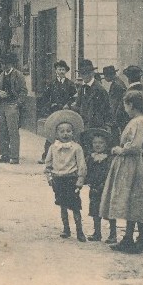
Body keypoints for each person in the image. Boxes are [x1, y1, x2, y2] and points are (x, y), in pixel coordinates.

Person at [100, 90, 143, 254]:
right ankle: (138, 238)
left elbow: (135, 145)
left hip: (133, 164)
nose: (124, 108)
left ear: (130, 104)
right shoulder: (140, 120)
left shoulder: (138, 122)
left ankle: (131, 239)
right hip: (136, 163)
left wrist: (120, 149)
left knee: (132, 199)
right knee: (135, 201)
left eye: (125, 104)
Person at [43, 109, 88, 241]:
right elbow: (48, 164)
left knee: (75, 205)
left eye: (68, 131)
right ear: (56, 133)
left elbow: (81, 164)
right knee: (62, 204)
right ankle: (66, 229)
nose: (65, 134)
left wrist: (80, 179)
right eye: (62, 131)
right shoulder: (53, 147)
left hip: (71, 179)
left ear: (73, 133)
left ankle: (80, 231)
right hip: (58, 179)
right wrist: (49, 177)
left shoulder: (76, 148)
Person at [38, 60, 77, 164]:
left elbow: (74, 98)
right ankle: (46, 156)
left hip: (66, 112)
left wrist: (68, 104)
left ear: (66, 71)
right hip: (54, 112)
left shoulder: (70, 84)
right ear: (56, 71)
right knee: (52, 133)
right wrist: (51, 105)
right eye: (59, 69)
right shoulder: (51, 84)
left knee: (66, 132)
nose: (61, 71)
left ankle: (66, 157)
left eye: (63, 69)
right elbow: (45, 98)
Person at [84, 128, 117, 243]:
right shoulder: (90, 158)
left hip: (106, 188)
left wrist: (105, 184)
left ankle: (113, 234)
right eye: (95, 143)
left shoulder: (109, 158)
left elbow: (110, 173)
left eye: (101, 143)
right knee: (94, 210)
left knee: (109, 210)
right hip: (94, 187)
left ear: (106, 144)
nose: (98, 145)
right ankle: (97, 233)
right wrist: (86, 180)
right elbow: (86, 171)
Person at [0, 52, 27, 164]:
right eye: (2, 64)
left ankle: (14, 156)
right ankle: (4, 154)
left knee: (13, 131)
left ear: (11, 64)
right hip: (2, 105)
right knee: (1, 131)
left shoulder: (19, 75)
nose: (3, 66)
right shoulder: (0, 76)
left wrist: (18, 104)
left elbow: (23, 91)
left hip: (13, 104)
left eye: (5, 64)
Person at [116, 65, 143, 134]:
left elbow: (119, 115)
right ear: (140, 78)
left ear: (128, 79)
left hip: (129, 130)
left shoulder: (127, 94)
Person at [100, 66, 128, 138]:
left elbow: (114, 104)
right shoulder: (119, 82)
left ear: (109, 75)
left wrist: (110, 121)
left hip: (118, 116)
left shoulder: (116, 85)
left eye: (105, 76)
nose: (105, 78)